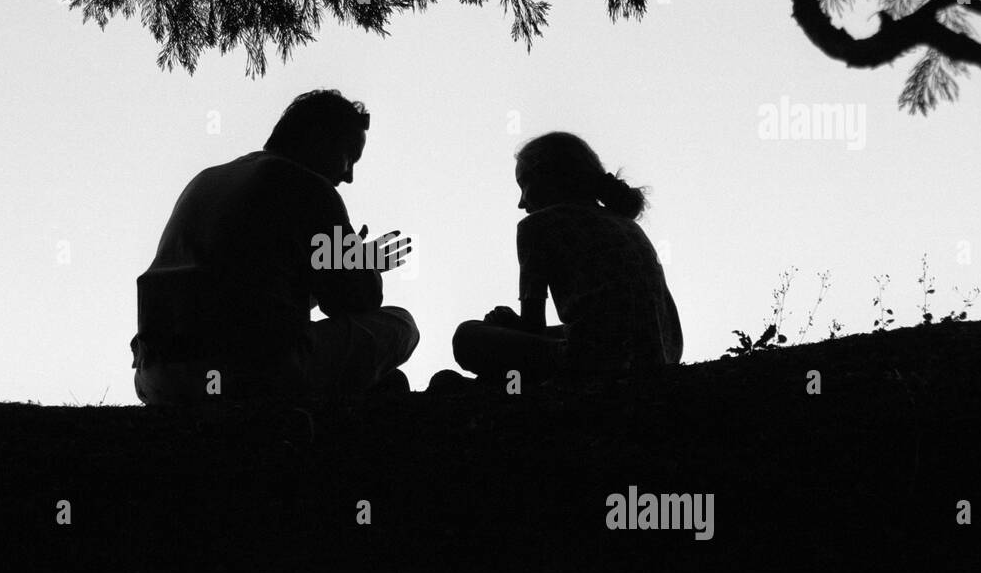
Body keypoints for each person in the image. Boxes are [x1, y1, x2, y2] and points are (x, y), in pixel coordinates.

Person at [132, 90, 418, 404]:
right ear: (320, 139)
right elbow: (356, 301)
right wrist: (362, 262)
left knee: (381, 381)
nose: (348, 176)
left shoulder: (205, 180)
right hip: (248, 373)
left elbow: (251, 291)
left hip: (157, 377)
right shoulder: (307, 186)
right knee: (400, 325)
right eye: (350, 155)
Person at [443, 131, 681, 388]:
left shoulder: (537, 226)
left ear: (550, 178)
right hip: (662, 355)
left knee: (467, 336)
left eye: (524, 185)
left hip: (596, 362)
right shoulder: (626, 223)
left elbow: (533, 328)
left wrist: (509, 329)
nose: (521, 203)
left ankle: (492, 387)